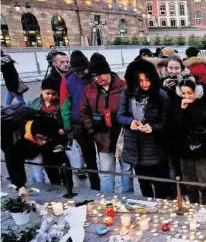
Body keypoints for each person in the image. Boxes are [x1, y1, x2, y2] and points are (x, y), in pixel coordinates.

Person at [79, 53, 132, 194]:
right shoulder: (89, 89)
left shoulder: (124, 87)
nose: (97, 79)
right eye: (94, 77)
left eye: (100, 75)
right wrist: (92, 131)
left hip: (122, 134)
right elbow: (83, 112)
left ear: (107, 72)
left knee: (126, 169)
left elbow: (131, 109)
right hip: (102, 136)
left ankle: (127, 197)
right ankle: (107, 200)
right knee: (106, 171)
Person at [118, 59, 172, 198]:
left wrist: (153, 127)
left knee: (161, 186)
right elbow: (120, 116)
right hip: (135, 148)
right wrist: (131, 122)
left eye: (147, 79)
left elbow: (166, 122)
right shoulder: (128, 93)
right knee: (144, 185)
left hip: (155, 148)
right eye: (140, 80)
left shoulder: (161, 95)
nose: (144, 84)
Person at [174, 76, 206, 205]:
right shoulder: (178, 104)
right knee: (190, 184)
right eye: (183, 93)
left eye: (190, 93)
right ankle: (194, 207)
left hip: (205, 149)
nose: (187, 96)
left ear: (196, 91)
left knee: (204, 183)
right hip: (186, 150)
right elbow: (174, 127)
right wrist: (182, 111)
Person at [1, 103, 60, 196]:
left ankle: (44, 190)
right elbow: (12, 161)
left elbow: (56, 135)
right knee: (32, 174)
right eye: (41, 138)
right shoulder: (13, 134)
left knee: (38, 175)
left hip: (33, 148)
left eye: (46, 139)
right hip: (16, 146)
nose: (43, 142)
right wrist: (20, 185)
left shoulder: (46, 121)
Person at [60, 50, 100, 189]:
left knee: (105, 156)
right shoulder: (68, 78)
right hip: (79, 124)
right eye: (77, 71)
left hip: (98, 122)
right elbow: (65, 105)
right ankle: (95, 187)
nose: (81, 73)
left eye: (83, 70)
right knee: (89, 158)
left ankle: (104, 184)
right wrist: (67, 127)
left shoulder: (96, 75)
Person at [26, 78, 72, 186]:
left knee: (64, 166)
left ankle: (68, 187)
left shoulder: (59, 104)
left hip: (56, 140)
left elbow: (64, 118)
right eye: (47, 93)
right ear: (41, 90)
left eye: (53, 94)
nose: (50, 96)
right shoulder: (33, 103)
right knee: (50, 168)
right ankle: (55, 187)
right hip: (40, 141)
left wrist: (62, 129)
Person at [161, 56, 190, 183]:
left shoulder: (188, 82)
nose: (173, 71)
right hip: (167, 129)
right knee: (172, 162)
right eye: (171, 68)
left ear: (182, 69)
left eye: (177, 68)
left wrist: (180, 86)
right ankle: (176, 190)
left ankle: (189, 189)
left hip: (184, 127)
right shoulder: (161, 83)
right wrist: (163, 88)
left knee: (185, 162)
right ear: (166, 69)